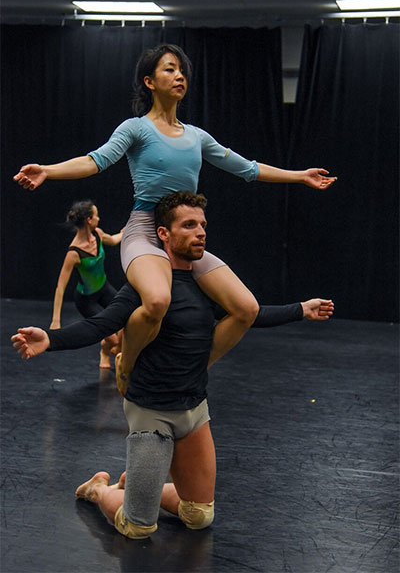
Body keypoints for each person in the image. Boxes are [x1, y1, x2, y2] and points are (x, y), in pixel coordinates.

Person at [13, 43, 337, 396]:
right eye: (169, 69)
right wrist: (48, 170)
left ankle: (192, 369)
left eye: (182, 70)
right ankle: (128, 361)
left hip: (182, 236)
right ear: (149, 82)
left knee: (244, 308)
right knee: (155, 301)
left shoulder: (197, 137)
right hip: (146, 232)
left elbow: (248, 169)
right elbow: (96, 160)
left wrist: (300, 175)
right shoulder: (136, 129)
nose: (179, 75)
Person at [11, 191, 334, 539]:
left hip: (193, 409)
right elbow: (102, 324)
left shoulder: (207, 284)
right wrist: (51, 338)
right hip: (152, 410)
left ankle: (133, 486)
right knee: (137, 528)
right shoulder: (148, 287)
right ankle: (98, 490)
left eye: (203, 225)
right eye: (189, 225)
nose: (201, 233)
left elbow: (249, 313)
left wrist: (301, 309)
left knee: (198, 516)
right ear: (164, 234)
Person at [51, 200, 123, 368]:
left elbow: (112, 240)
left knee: (127, 320)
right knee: (112, 338)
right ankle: (104, 351)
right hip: (86, 299)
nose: (99, 218)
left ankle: (118, 349)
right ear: (89, 220)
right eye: (96, 215)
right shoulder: (74, 253)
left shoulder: (97, 234)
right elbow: (60, 287)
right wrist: (56, 321)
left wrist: (124, 233)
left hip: (104, 288)